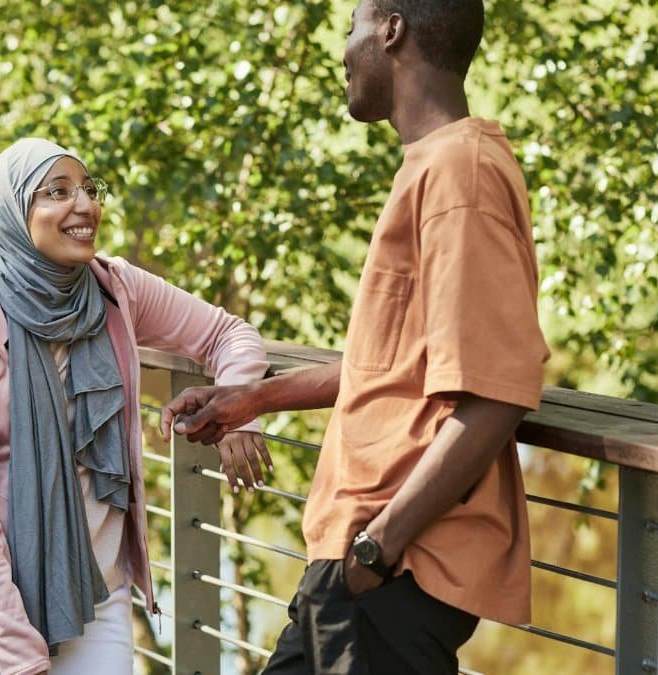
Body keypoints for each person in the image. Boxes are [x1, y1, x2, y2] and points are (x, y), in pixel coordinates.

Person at [160, 1, 549, 673]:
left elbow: (496, 395)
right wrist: (252, 400)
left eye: (351, 26)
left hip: (392, 567)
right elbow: (394, 360)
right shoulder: (433, 165)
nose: (343, 49)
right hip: (358, 564)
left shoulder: (461, 173)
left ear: (391, 30)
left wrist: (376, 550)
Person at [0, 137, 271, 675]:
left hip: (96, 592)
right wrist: (15, 645)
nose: (85, 205)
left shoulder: (113, 290)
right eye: (58, 191)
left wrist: (241, 407)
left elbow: (228, 334)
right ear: (11, 211)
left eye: (89, 189)